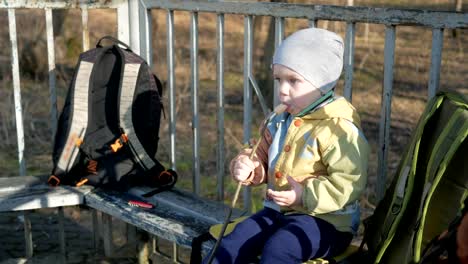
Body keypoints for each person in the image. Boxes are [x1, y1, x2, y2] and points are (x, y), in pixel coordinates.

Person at [203, 27, 369, 264]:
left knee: (279, 249)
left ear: (321, 84)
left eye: (294, 80)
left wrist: (305, 195)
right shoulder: (279, 121)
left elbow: (348, 182)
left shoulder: (339, 129)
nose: (282, 90)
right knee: (234, 241)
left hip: (327, 222)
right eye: (279, 79)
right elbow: (259, 153)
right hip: (277, 212)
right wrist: (249, 166)